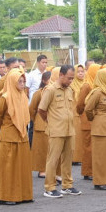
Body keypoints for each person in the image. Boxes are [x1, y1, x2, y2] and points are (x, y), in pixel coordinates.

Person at [38, 65, 81, 198]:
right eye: (68, 78)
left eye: (72, 79)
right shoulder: (50, 90)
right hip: (56, 130)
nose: (70, 81)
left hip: (69, 129)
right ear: (61, 75)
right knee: (53, 159)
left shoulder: (70, 90)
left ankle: (67, 185)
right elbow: (42, 109)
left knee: (68, 159)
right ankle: (50, 187)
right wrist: (51, 122)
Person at [0, 68, 33, 205]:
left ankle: (24, 195)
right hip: (8, 136)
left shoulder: (23, 96)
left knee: (22, 166)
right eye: (20, 81)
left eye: (23, 81)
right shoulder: (5, 98)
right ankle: (7, 197)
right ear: (12, 82)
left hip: (22, 136)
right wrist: (7, 127)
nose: (22, 84)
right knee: (8, 168)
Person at [84, 68, 106, 190]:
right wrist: (95, 118)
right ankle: (100, 181)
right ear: (103, 78)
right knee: (100, 155)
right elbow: (88, 108)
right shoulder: (98, 92)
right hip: (100, 127)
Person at [76, 64, 100, 181]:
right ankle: (87, 171)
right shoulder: (87, 85)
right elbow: (80, 104)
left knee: (94, 147)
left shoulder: (97, 85)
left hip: (95, 120)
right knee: (88, 148)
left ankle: (93, 170)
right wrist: (82, 115)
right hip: (87, 120)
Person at [29, 71, 51, 178]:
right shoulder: (39, 93)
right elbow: (32, 109)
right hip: (41, 124)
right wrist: (37, 120)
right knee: (42, 149)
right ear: (44, 81)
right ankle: (42, 169)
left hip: (54, 123)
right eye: (50, 80)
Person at [70, 64, 86, 164]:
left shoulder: (86, 83)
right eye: (78, 72)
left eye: (82, 71)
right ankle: (74, 158)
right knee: (76, 136)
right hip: (74, 112)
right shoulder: (72, 85)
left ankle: (81, 157)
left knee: (82, 137)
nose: (81, 73)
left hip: (84, 112)